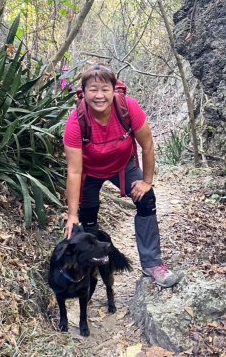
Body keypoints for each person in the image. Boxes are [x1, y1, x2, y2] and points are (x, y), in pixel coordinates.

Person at [62, 63, 178, 288]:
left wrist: (146, 182)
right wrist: (71, 215)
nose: (99, 95)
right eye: (93, 90)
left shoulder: (128, 108)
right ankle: (91, 270)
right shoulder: (76, 122)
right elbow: (74, 171)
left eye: (104, 89)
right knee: (87, 221)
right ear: (83, 93)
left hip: (123, 166)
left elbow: (147, 146)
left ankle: (152, 264)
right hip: (89, 172)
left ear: (114, 90)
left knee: (147, 200)